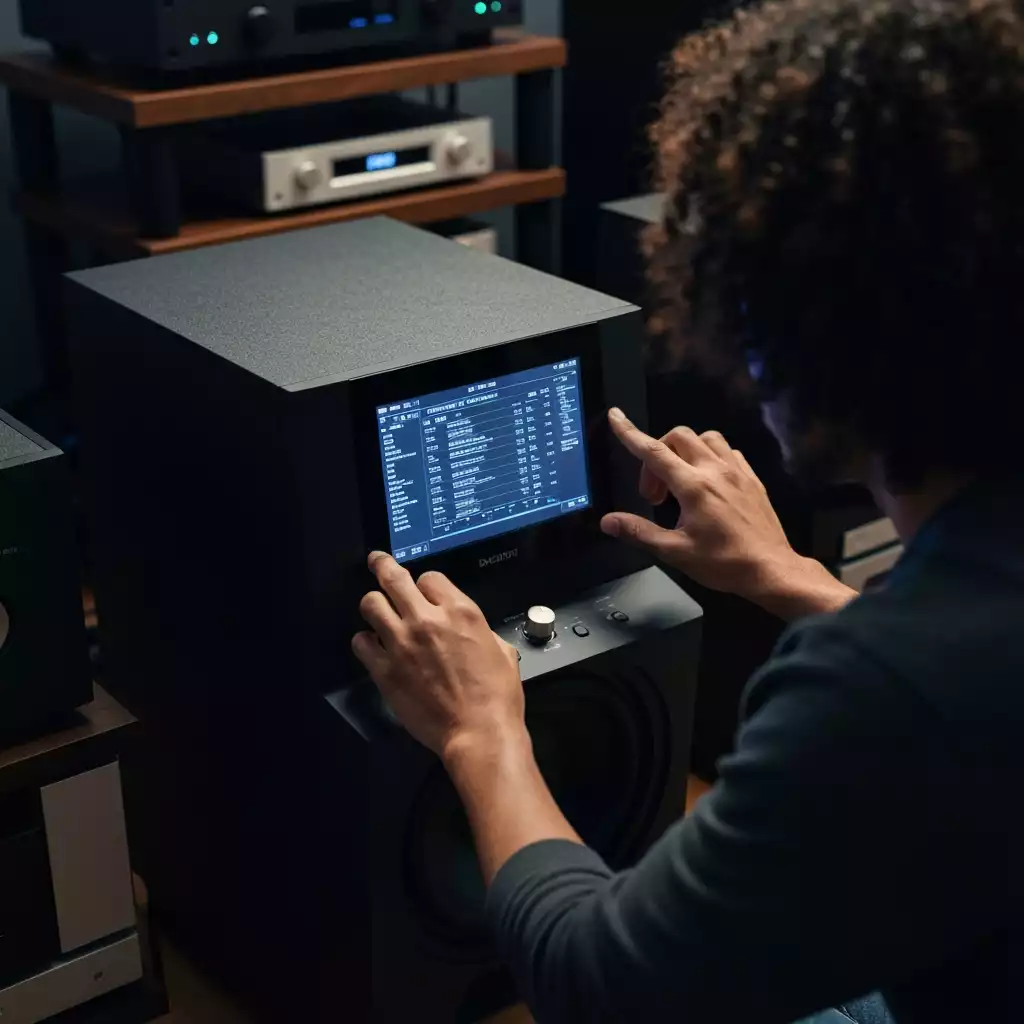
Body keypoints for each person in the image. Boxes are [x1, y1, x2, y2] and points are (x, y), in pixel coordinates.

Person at [351, 0, 1023, 1020]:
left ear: (810, 337)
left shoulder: (879, 690)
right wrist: (792, 578)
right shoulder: (943, 648)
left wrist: (479, 728)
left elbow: (601, 985)